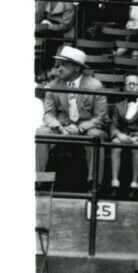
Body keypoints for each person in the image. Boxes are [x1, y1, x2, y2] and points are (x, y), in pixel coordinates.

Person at [37, 45, 106, 183]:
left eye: (64, 65)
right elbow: (48, 114)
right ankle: (38, 180)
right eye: (59, 64)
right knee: (41, 132)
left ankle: (94, 184)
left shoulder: (95, 85)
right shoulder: (53, 84)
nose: (59, 68)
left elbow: (101, 117)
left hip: (86, 129)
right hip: (62, 128)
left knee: (96, 135)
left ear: (77, 67)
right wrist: (59, 128)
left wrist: (80, 128)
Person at [107, 71, 138, 197]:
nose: (131, 86)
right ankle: (115, 182)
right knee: (115, 143)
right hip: (123, 135)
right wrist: (118, 134)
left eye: (134, 84)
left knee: (137, 147)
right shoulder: (119, 105)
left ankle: (134, 183)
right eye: (128, 84)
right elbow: (113, 124)